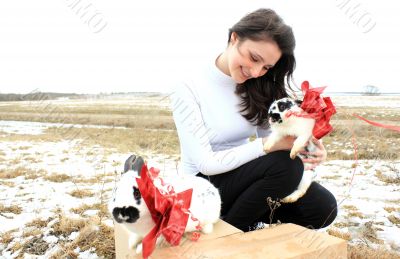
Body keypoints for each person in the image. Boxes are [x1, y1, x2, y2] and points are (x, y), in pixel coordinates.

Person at [170, 8, 337, 232]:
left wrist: (306, 148)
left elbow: (272, 141)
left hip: (245, 180)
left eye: (267, 67)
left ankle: (239, 219)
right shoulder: (188, 86)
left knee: (322, 207)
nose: (256, 71)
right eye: (254, 58)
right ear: (234, 38)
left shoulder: (259, 85)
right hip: (202, 185)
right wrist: (270, 147)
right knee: (285, 167)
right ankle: (230, 233)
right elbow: (205, 163)